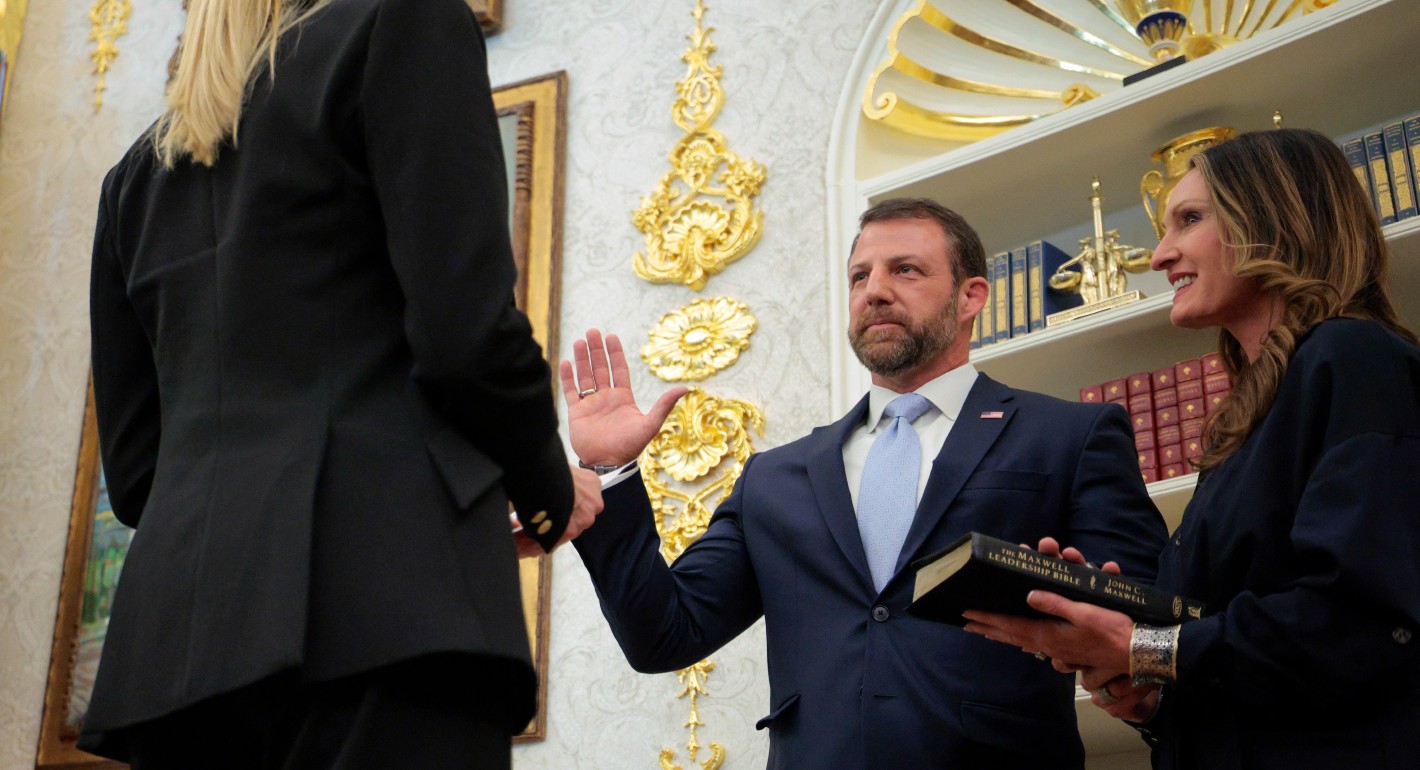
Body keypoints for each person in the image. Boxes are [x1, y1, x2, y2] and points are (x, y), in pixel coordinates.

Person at [78, 1, 602, 768]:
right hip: (385, 625)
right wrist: (548, 489)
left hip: (179, 659)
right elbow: (466, 339)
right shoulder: (406, 22)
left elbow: (134, 478)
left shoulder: (131, 183)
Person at [562, 198, 1168, 769]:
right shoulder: (774, 478)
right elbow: (664, 636)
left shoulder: (1071, 435)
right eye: (859, 277)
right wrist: (610, 474)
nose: (875, 291)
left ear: (970, 296)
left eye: (905, 270)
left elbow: (1141, 628)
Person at [962, 128, 1420, 769]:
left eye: (1189, 220)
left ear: (1274, 223)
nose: (1158, 255)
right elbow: (1240, 662)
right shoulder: (1244, 419)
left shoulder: (1354, 359)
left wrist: (1144, 648)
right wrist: (1147, 694)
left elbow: (1362, 623)